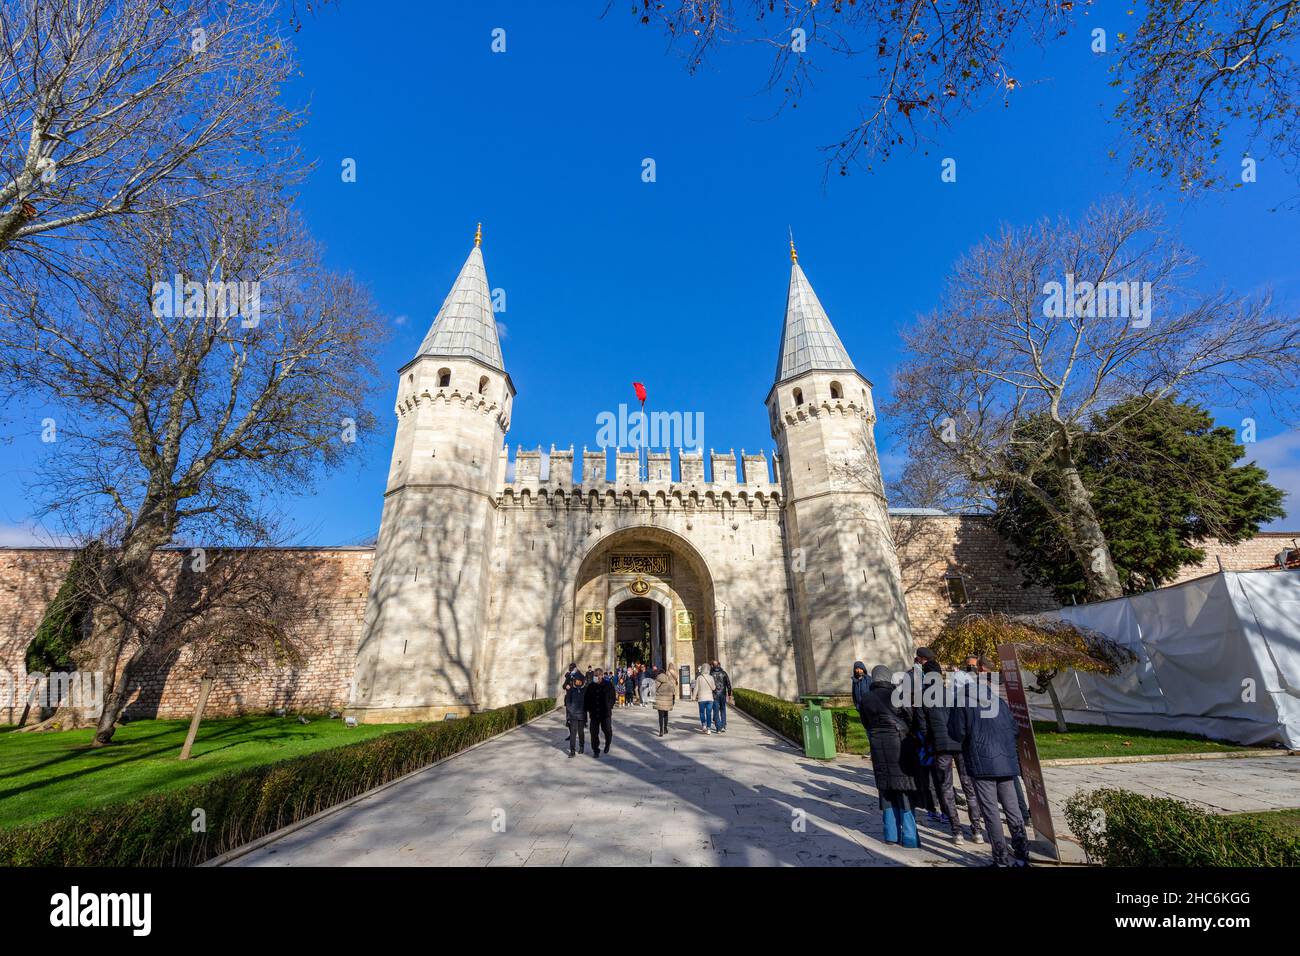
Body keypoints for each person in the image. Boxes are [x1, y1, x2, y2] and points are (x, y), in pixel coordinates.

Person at [947, 655, 1029, 867]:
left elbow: (957, 733)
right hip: (1005, 762)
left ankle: (1001, 859)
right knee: (1013, 810)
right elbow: (1013, 729)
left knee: (991, 811)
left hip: (981, 763)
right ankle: (1022, 856)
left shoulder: (962, 703)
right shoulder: (998, 701)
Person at [855, 664, 920, 848]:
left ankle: (890, 834)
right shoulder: (898, 695)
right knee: (904, 790)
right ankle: (909, 837)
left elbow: (866, 724)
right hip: (900, 746)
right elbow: (910, 718)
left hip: (878, 747)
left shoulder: (866, 699)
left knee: (886, 792)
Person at [915, 650, 969, 843]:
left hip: (938, 745)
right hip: (957, 744)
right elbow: (961, 720)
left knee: (944, 784)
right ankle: (977, 828)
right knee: (967, 785)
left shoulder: (922, 696)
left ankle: (956, 829)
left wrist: (928, 741)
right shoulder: (952, 694)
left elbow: (921, 724)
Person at [584, 667, 615, 757]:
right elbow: (586, 699)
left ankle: (607, 743)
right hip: (594, 714)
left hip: (605, 713)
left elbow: (613, 697)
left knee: (607, 730)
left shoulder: (608, 685)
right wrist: (587, 710)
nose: (596, 677)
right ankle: (596, 750)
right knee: (593, 733)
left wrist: (609, 706)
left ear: (601, 676)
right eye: (595, 675)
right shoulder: (591, 686)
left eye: (597, 675)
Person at [564, 672, 588, 757]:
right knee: (573, 733)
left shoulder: (585, 690)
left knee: (581, 732)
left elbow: (587, 702)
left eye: (579, 681)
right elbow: (568, 702)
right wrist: (571, 710)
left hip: (581, 714)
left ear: (582, 681)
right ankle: (572, 751)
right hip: (573, 715)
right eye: (576, 681)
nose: (578, 682)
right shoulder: (571, 690)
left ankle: (581, 746)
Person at [709, 659, 732, 734]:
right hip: (723, 694)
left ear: (712, 665)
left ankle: (718, 728)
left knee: (715, 711)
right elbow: (728, 685)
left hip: (714, 695)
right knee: (723, 710)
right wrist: (729, 695)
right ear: (719, 665)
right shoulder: (724, 673)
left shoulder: (711, 674)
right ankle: (723, 726)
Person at [653, 663, 676, 735]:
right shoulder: (668, 679)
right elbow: (673, 690)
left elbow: (654, 689)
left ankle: (661, 730)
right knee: (666, 714)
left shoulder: (657, 679)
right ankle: (665, 728)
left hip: (660, 700)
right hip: (667, 700)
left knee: (660, 716)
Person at [695, 664, 717, 733]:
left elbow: (696, 688)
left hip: (701, 698)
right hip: (710, 698)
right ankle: (709, 729)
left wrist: (693, 697)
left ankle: (703, 725)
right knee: (709, 713)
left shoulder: (699, 678)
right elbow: (713, 688)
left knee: (702, 712)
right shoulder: (711, 677)